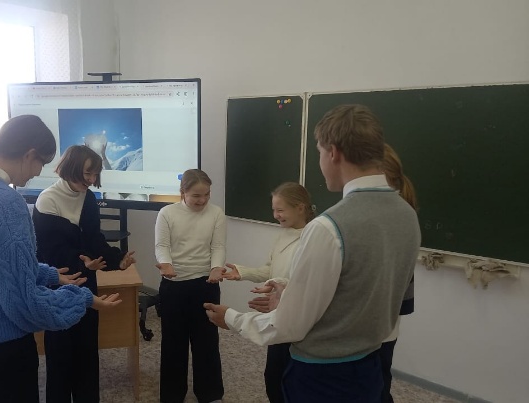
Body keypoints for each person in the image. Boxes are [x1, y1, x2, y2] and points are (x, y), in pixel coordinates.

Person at [204, 104, 421, 403]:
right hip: (369, 369)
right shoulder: (407, 216)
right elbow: (356, 293)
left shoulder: (328, 228)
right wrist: (291, 288)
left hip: (323, 378)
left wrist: (233, 318)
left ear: (333, 153)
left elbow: (290, 324)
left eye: (318, 152)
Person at [0, 115, 121, 403]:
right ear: (29, 154)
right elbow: (23, 303)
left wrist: (50, 275)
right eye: (41, 164)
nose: (37, 173)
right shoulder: (4, 202)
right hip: (1, 347)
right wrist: (84, 299)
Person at [32, 144, 136, 403]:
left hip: (86, 282)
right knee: (60, 356)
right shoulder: (47, 200)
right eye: (87, 173)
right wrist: (83, 265)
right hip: (58, 285)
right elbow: (50, 254)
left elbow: (94, 241)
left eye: (95, 174)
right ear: (70, 168)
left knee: (87, 352)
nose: (91, 180)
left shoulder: (87, 197)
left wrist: (116, 259)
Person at [221, 182, 314, 403]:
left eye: (280, 210)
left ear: (300, 208)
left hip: (297, 320)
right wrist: (243, 272)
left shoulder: (313, 238)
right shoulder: (283, 234)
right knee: (273, 377)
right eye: (274, 210)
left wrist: (280, 290)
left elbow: (308, 283)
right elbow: (270, 270)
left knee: (290, 380)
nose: (275, 215)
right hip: (277, 314)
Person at [154, 168, 226, 403]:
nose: (202, 200)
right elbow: (162, 245)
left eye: (206, 194)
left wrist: (216, 267)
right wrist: (165, 264)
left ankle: (210, 394)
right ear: (182, 192)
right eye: (196, 195)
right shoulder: (167, 213)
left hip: (205, 284)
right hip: (174, 285)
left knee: (207, 341)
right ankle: (172, 395)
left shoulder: (216, 213)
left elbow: (218, 246)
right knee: (173, 342)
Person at [380, 143, 418, 403]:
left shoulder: (389, 216)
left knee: (376, 385)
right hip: (386, 324)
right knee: (380, 380)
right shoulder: (404, 213)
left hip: (374, 326)